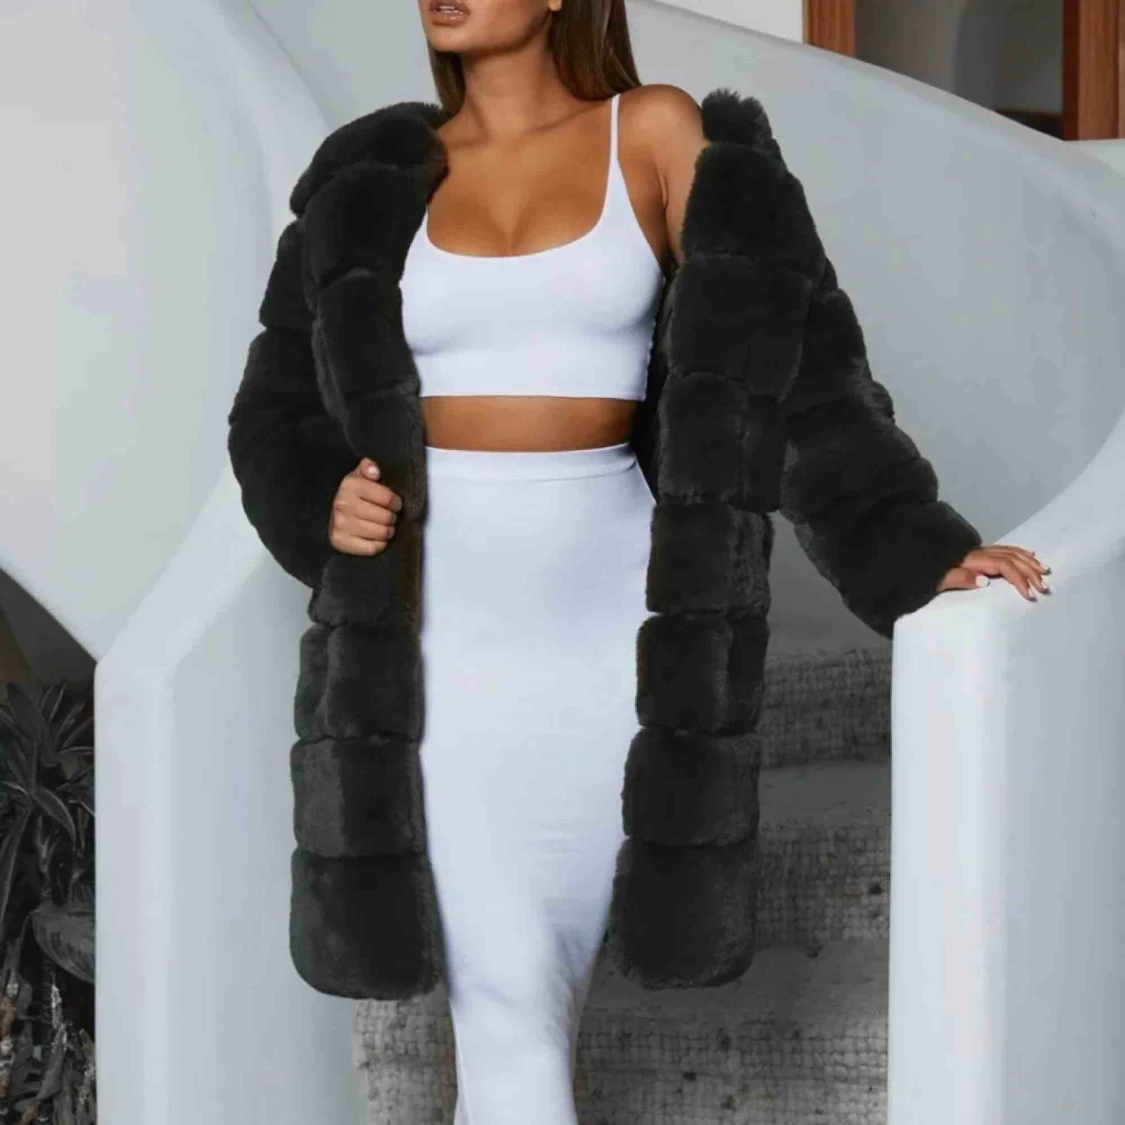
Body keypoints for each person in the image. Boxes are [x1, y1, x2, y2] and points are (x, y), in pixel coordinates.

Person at [229, 1, 1050, 1121]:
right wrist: (317, 497)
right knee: (504, 1008)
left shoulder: (654, 131)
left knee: (543, 994)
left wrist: (916, 548)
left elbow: (795, 368)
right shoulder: (361, 179)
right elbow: (273, 407)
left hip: (616, 636)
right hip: (429, 649)